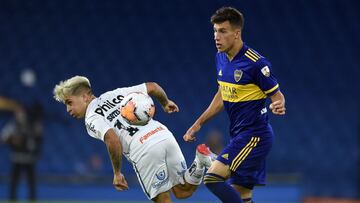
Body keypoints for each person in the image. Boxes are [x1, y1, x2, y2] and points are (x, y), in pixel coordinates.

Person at [53, 76, 214, 203]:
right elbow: (152, 86)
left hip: (143, 149)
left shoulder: (91, 118)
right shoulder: (115, 94)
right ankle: (200, 162)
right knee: (183, 190)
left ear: (85, 96)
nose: (68, 109)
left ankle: (200, 161)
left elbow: (112, 139)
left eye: (69, 102)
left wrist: (117, 173)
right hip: (163, 134)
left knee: (163, 200)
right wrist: (165, 103)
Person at [183, 7, 286, 203]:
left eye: (222, 31)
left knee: (213, 179)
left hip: (255, 136)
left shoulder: (256, 63)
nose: (216, 36)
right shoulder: (220, 58)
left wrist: (278, 105)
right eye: (215, 31)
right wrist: (198, 124)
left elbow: (277, 96)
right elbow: (222, 95)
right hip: (239, 135)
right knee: (242, 196)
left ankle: (212, 159)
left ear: (237, 33)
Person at [1, 101, 44, 201]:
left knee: (31, 181)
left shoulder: (32, 124)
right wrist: (12, 140)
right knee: (14, 180)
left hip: (29, 157)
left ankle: (32, 199)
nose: (20, 114)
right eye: (18, 112)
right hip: (17, 156)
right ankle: (12, 199)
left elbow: (38, 138)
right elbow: (4, 138)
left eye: (21, 112)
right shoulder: (13, 125)